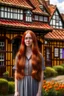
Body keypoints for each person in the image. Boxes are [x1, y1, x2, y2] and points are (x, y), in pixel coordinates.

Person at [14, 30, 45, 96]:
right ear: (23, 40)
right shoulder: (19, 55)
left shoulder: (39, 56)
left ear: (33, 40)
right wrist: (16, 91)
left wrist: (39, 92)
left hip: (34, 84)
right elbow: (16, 73)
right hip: (21, 84)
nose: (28, 40)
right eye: (26, 38)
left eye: (30, 38)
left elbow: (41, 74)